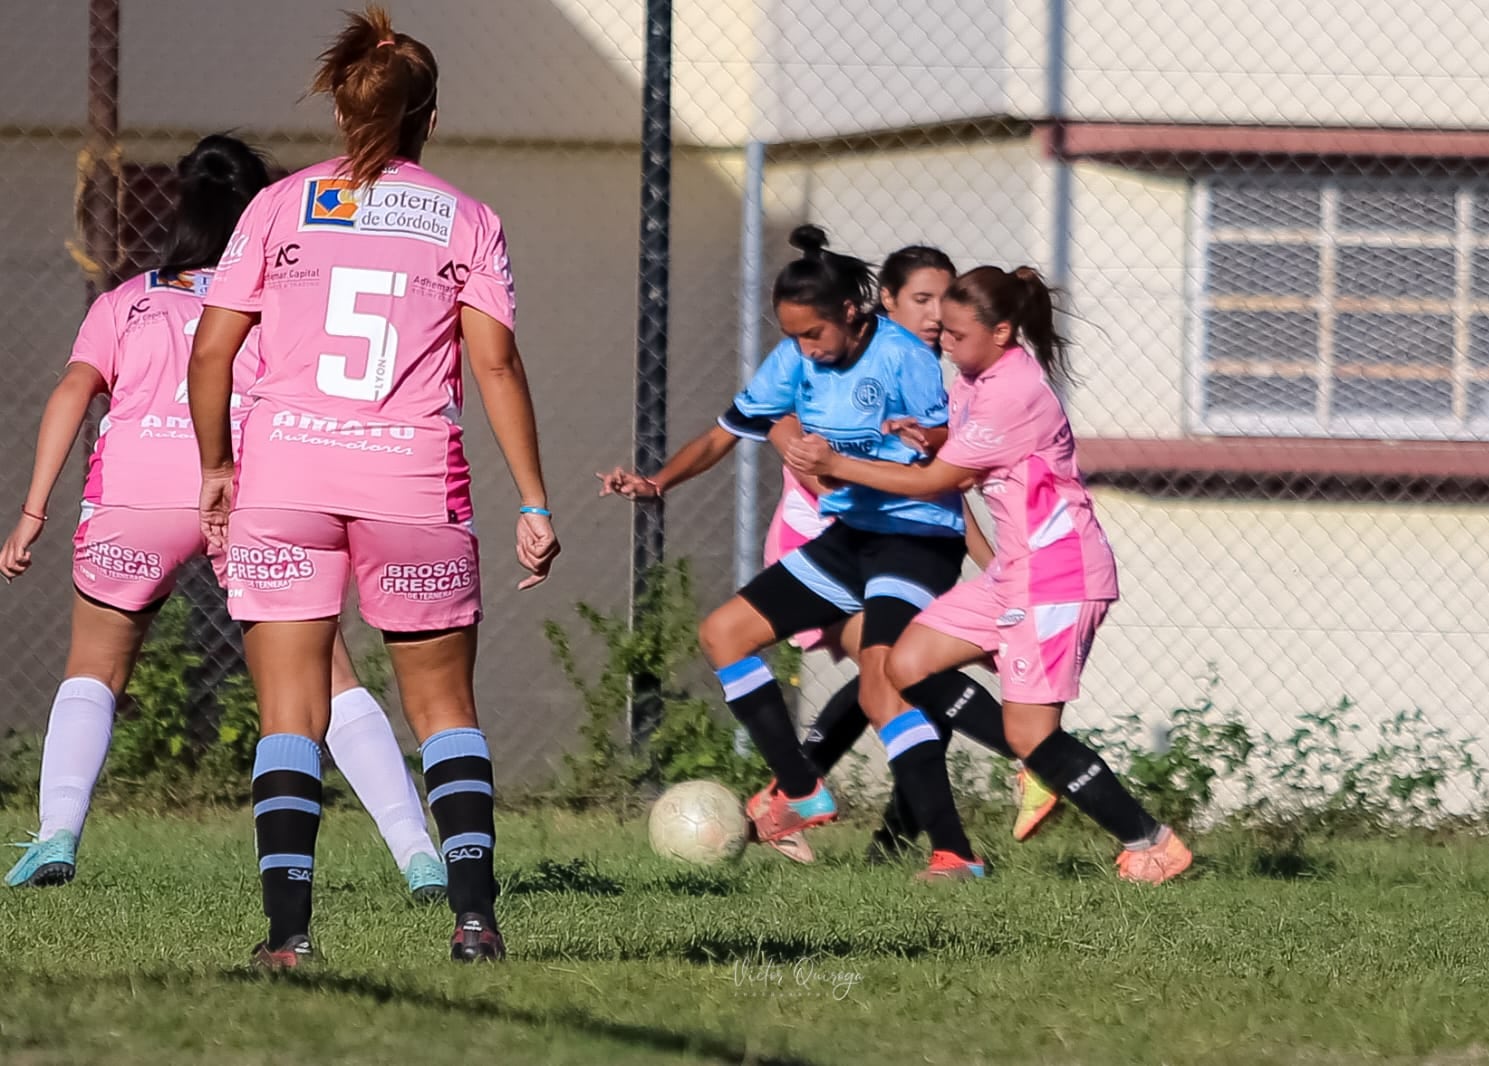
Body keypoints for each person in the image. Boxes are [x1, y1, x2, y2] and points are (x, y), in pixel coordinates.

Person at [187, 6, 559, 968]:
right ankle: (474, 921)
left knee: (290, 713)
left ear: (343, 110)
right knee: (443, 711)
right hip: (413, 487)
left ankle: (288, 937)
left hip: (286, 480)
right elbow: (499, 369)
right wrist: (532, 500)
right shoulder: (469, 218)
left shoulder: (276, 207)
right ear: (427, 117)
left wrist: (218, 467)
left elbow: (213, 348)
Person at [0, 134, 447, 901]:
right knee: (328, 676)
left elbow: (73, 391)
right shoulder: (273, 301)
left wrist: (33, 510)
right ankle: (420, 855)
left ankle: (56, 835)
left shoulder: (126, 300)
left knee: (95, 669)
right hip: (243, 497)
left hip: (132, 503)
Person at [600, 243, 1018, 867]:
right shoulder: (795, 361)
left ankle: (958, 854)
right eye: (793, 335)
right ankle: (801, 787)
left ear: (852, 312)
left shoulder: (905, 359)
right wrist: (658, 483)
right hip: (851, 538)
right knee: (723, 634)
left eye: (814, 333)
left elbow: (950, 452)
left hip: (917, 540)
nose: (806, 348)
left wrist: (904, 445)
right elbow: (724, 433)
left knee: (883, 691)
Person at [786, 265, 1193, 884]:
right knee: (906, 661)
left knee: (1029, 733)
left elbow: (937, 483)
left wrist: (837, 464)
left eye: (956, 333)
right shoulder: (980, 376)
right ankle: (1033, 761)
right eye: (942, 331)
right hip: (1015, 574)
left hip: (1059, 577)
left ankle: (1152, 842)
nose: (944, 342)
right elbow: (957, 448)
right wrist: (930, 433)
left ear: (1002, 331)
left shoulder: (1013, 392)